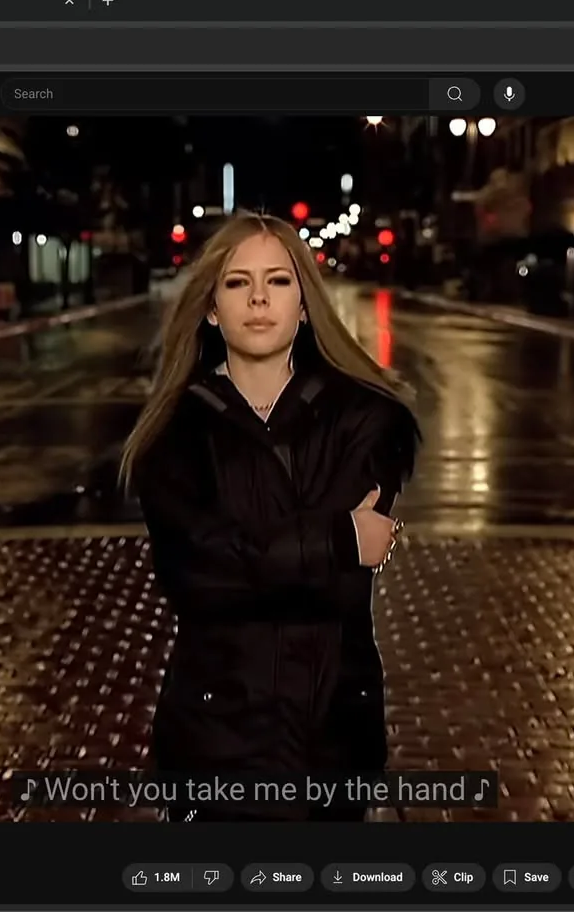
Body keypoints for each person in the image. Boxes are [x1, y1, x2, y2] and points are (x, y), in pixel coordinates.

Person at [120, 211, 421, 821]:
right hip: (214, 740)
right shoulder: (173, 433)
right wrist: (336, 536)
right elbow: (197, 578)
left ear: (305, 304)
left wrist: (256, 551)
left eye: (279, 281)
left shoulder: (366, 421)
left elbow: (334, 587)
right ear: (211, 308)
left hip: (332, 736)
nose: (258, 298)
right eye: (236, 283)